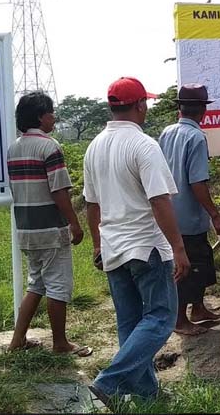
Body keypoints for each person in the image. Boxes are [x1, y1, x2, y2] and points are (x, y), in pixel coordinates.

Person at [82, 77, 190, 405]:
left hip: (113, 247)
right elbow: (159, 201)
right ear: (140, 105)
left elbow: (91, 204)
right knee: (161, 317)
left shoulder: (94, 146)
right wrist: (178, 248)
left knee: (129, 324)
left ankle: (146, 395)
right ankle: (110, 381)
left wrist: (98, 244)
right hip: (146, 246)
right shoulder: (144, 145)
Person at [7, 91, 90, 356]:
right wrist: (75, 224)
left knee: (36, 284)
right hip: (51, 229)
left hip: (26, 229)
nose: (54, 118)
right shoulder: (50, 147)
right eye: (51, 113)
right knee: (57, 285)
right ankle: (60, 343)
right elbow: (59, 191)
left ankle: (17, 340)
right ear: (41, 117)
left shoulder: (13, 148)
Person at [159, 83, 220, 335]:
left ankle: (198, 308)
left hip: (169, 212)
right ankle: (180, 320)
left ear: (179, 108)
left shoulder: (167, 132)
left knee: (199, 261)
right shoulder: (197, 137)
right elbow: (197, 182)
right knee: (188, 267)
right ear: (203, 110)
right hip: (188, 216)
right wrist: (216, 216)